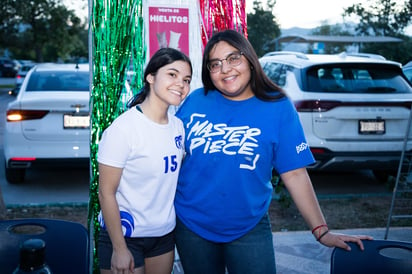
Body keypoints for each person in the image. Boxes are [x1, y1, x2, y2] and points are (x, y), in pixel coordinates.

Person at [174, 29, 373, 274]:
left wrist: (321, 231)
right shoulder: (195, 101)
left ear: (249, 59)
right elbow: (171, 154)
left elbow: (295, 174)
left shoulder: (277, 106)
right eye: (215, 64)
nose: (225, 69)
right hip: (191, 225)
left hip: (248, 226)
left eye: (233, 58)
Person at [97, 47, 192, 274]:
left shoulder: (178, 127)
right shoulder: (123, 129)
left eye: (186, 79)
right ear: (151, 77)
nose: (181, 83)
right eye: (172, 74)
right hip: (125, 236)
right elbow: (105, 193)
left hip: (163, 234)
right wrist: (119, 249)